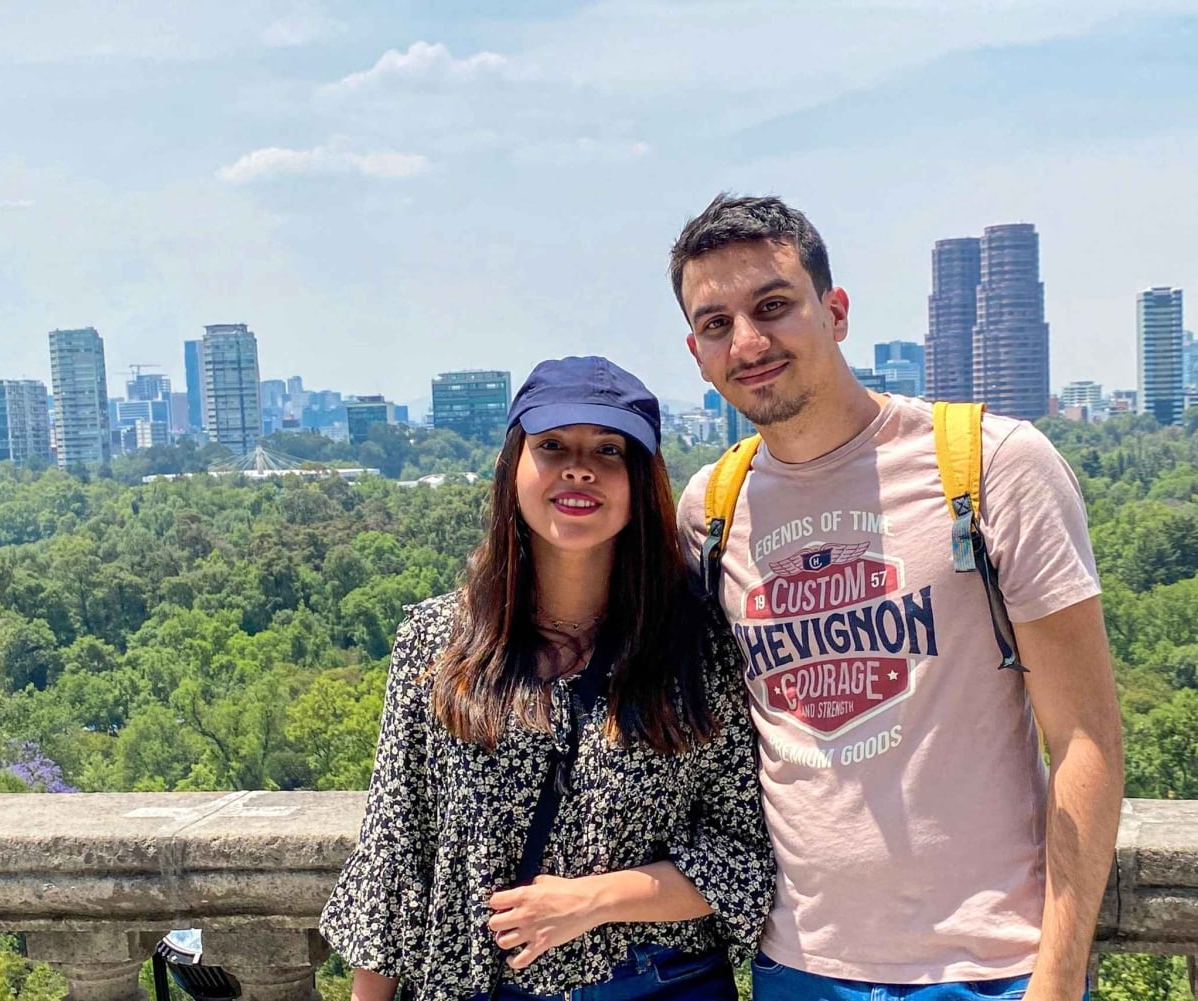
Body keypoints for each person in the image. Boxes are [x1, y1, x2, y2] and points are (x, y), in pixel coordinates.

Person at [668, 194, 1124, 1001]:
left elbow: (1085, 737)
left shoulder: (994, 466)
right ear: (697, 353)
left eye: (773, 306)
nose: (748, 341)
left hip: (990, 967)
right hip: (800, 966)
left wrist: (1053, 981)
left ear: (835, 311)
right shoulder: (712, 508)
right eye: (716, 324)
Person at [320, 356, 774, 1000]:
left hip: (658, 981)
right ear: (515, 470)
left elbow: (741, 855)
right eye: (553, 445)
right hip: (480, 982)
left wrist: (593, 901)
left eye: (609, 450)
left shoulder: (697, 646)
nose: (579, 467)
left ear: (641, 481)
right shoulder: (438, 640)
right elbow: (397, 853)